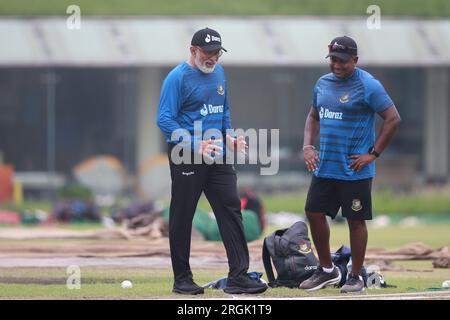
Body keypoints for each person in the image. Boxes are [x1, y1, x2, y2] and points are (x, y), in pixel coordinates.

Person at [156, 27, 267, 295]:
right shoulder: (177, 78)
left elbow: (223, 109)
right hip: (186, 156)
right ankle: (182, 279)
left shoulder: (219, 73)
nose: (213, 58)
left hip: (217, 155)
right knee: (183, 215)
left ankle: (239, 277)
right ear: (193, 51)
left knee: (231, 209)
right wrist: (196, 144)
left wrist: (231, 137)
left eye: (217, 53)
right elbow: (164, 119)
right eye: (208, 53)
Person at [299, 36, 401, 293]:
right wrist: (308, 146)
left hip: (355, 169)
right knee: (313, 211)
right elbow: (313, 116)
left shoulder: (369, 85)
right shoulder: (322, 84)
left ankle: (355, 275)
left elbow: (393, 119)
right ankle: (326, 271)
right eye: (333, 59)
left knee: (355, 220)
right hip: (326, 166)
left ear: (354, 60)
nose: (337, 65)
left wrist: (373, 154)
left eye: (343, 61)